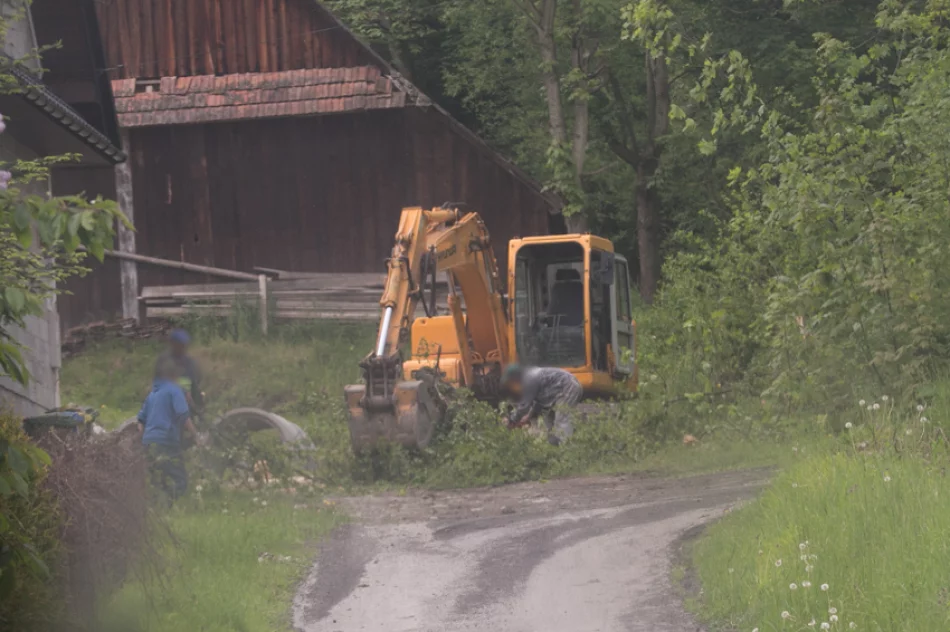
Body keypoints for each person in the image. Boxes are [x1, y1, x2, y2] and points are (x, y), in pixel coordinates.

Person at [138, 356, 196, 501]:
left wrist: (146, 440)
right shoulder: (174, 390)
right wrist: (196, 435)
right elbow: (183, 416)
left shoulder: (152, 394)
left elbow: (140, 422)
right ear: (173, 375)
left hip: (148, 443)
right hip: (166, 442)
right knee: (181, 481)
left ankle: (158, 506)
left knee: (158, 481)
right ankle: (165, 503)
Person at [502, 364, 583, 445]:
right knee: (547, 418)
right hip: (556, 393)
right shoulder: (529, 377)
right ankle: (554, 446)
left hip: (568, 387)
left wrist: (512, 420)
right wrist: (528, 416)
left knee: (562, 418)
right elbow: (538, 402)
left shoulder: (529, 379)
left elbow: (524, 406)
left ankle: (566, 447)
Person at [156, 328, 203, 417]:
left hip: (189, 396)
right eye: (180, 345)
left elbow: (195, 380)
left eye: (184, 345)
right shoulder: (165, 360)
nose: (183, 347)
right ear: (173, 344)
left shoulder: (189, 361)